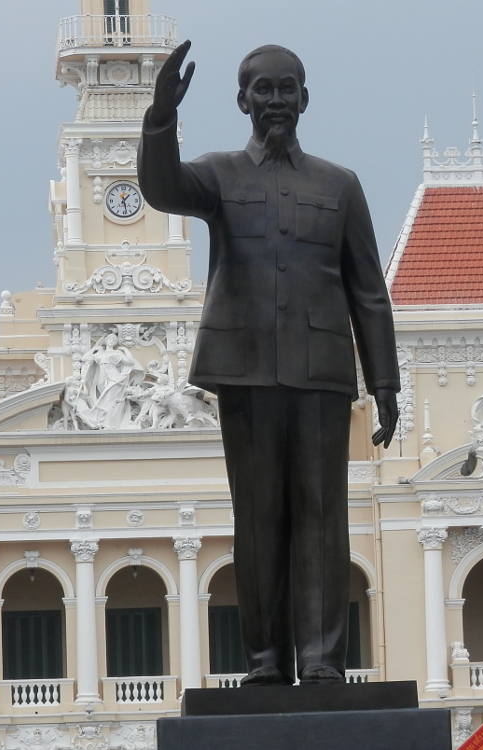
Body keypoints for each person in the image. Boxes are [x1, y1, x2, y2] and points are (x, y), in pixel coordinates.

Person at [138, 41, 399, 685]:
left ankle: (319, 658)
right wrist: (160, 118)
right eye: (264, 89)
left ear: (304, 100)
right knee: (258, 516)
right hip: (246, 368)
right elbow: (161, 187)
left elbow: (368, 288)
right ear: (242, 100)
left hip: (321, 373)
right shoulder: (220, 174)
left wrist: (385, 382)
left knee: (322, 515)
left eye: (288, 88)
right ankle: (264, 659)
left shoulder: (339, 184)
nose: (276, 100)